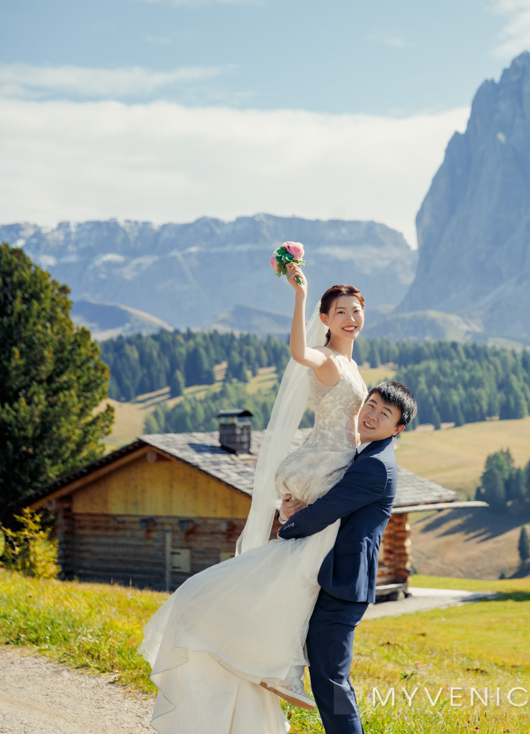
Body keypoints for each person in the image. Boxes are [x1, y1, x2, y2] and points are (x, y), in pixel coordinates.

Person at [139, 265, 372, 734]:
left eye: (356, 311)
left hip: (339, 464)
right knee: (306, 566)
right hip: (326, 464)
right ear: (325, 319)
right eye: (341, 312)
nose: (350, 318)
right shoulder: (326, 358)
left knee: (304, 563)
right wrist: (299, 295)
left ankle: (273, 660)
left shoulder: (351, 364)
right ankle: (276, 664)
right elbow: (296, 351)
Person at [277, 379, 414, 734]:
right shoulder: (363, 454)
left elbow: (328, 511)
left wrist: (288, 528)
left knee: (331, 680)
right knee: (326, 675)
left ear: (398, 429)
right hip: (331, 575)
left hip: (344, 585)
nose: (372, 415)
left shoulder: (376, 465)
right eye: (371, 405)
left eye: (385, 414)